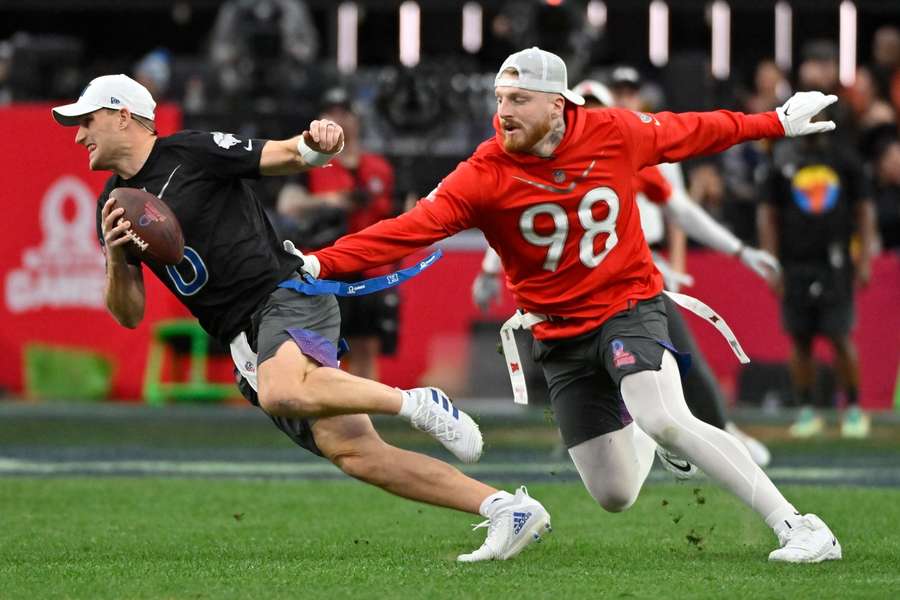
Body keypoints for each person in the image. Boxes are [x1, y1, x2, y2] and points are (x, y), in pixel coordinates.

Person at [301, 48, 843, 563]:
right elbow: (408, 229)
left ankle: (800, 526)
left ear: (556, 103)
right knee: (614, 493)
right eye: (498, 98)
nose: (503, 112)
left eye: (518, 100)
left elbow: (695, 130)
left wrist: (774, 121)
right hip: (556, 333)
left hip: (627, 305)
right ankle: (653, 437)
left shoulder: (614, 131)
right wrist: (321, 263)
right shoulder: (484, 171)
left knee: (666, 416)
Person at [51, 74, 551, 562]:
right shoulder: (112, 204)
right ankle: (507, 508)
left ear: (123, 116)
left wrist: (320, 143)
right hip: (242, 338)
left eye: (87, 120)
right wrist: (116, 258)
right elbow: (129, 314)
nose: (78, 135)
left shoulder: (190, 152)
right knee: (356, 452)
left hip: (284, 293)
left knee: (282, 390)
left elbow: (287, 154)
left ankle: (416, 403)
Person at [472, 79, 774, 468]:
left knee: (683, 366)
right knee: (578, 377)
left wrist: (737, 249)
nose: (590, 116)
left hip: (626, 285)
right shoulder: (523, 164)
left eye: (600, 107)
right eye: (586, 107)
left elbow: (678, 208)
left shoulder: (616, 147)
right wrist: (488, 269)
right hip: (568, 299)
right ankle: (602, 439)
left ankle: (715, 433)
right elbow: (511, 225)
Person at [758, 117, 878, 439]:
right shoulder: (780, 159)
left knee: (839, 335)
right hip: (794, 262)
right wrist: (770, 263)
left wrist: (864, 258)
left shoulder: (844, 157)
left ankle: (852, 409)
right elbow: (767, 213)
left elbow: (864, 209)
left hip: (835, 260)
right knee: (799, 339)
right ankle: (806, 410)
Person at [301, 87, 401, 381]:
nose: (338, 119)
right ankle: (325, 405)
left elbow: (395, 214)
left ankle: (365, 406)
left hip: (370, 267)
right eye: (330, 113)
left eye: (344, 113)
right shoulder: (308, 163)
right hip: (327, 264)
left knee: (366, 343)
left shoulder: (379, 167)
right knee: (322, 343)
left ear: (356, 119)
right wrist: (330, 201)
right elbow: (288, 204)